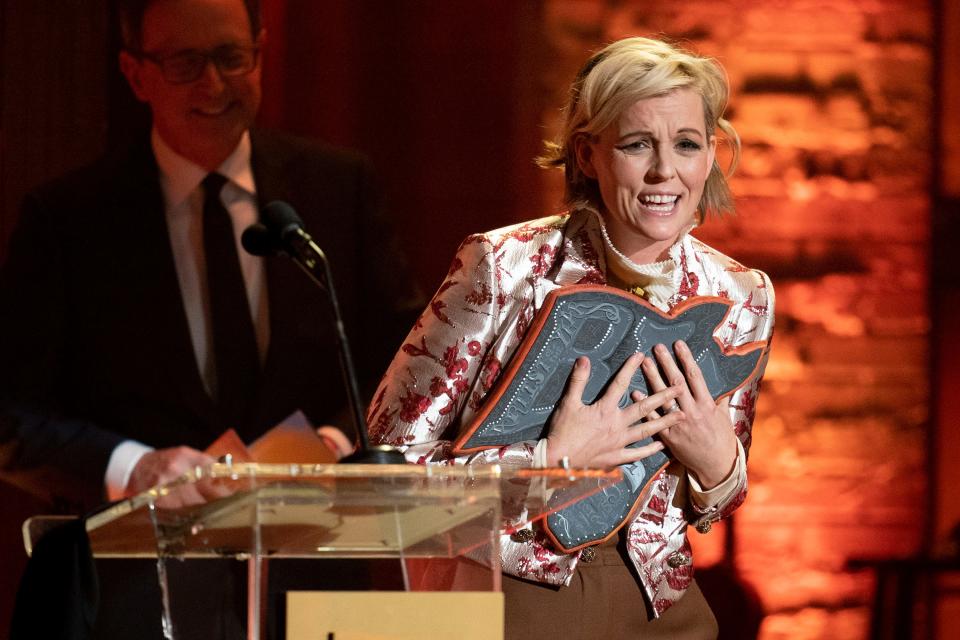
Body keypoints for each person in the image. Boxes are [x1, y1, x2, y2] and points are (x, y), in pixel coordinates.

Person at [1, 0, 417, 637]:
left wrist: (337, 440)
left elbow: (406, 359)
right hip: (134, 591)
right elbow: (12, 416)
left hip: (309, 581)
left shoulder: (338, 188)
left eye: (230, 57)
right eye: (183, 62)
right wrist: (134, 467)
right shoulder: (68, 221)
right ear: (135, 74)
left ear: (260, 51)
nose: (213, 83)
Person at [367, 36, 775, 639]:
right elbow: (385, 477)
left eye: (687, 145)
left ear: (710, 154)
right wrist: (549, 465)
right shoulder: (503, 266)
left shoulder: (742, 295)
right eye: (638, 145)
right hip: (510, 594)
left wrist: (719, 465)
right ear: (588, 155)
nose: (666, 172)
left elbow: (713, 499)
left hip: (661, 606)